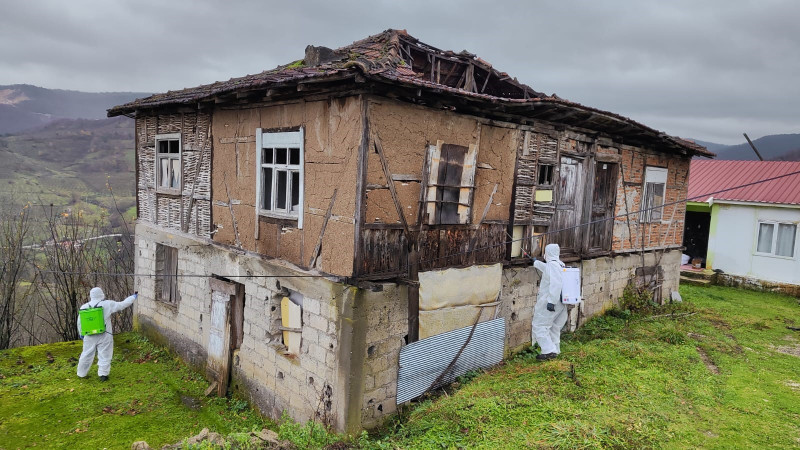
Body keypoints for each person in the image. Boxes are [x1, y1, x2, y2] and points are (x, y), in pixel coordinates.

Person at [76, 287, 136, 381]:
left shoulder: (84, 307)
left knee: (86, 354)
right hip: (104, 335)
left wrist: (81, 333)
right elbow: (122, 304)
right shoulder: (107, 304)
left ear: (91, 295)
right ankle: (103, 375)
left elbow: (80, 322)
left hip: (89, 335)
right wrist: (133, 297)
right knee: (105, 354)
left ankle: (81, 373)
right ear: (101, 294)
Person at [531, 243, 566, 361]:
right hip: (560, 302)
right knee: (553, 327)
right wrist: (536, 262)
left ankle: (548, 351)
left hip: (551, 301)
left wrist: (551, 301)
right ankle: (555, 349)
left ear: (548, 253)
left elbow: (556, 284)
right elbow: (547, 270)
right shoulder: (559, 264)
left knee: (539, 325)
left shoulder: (553, 266)